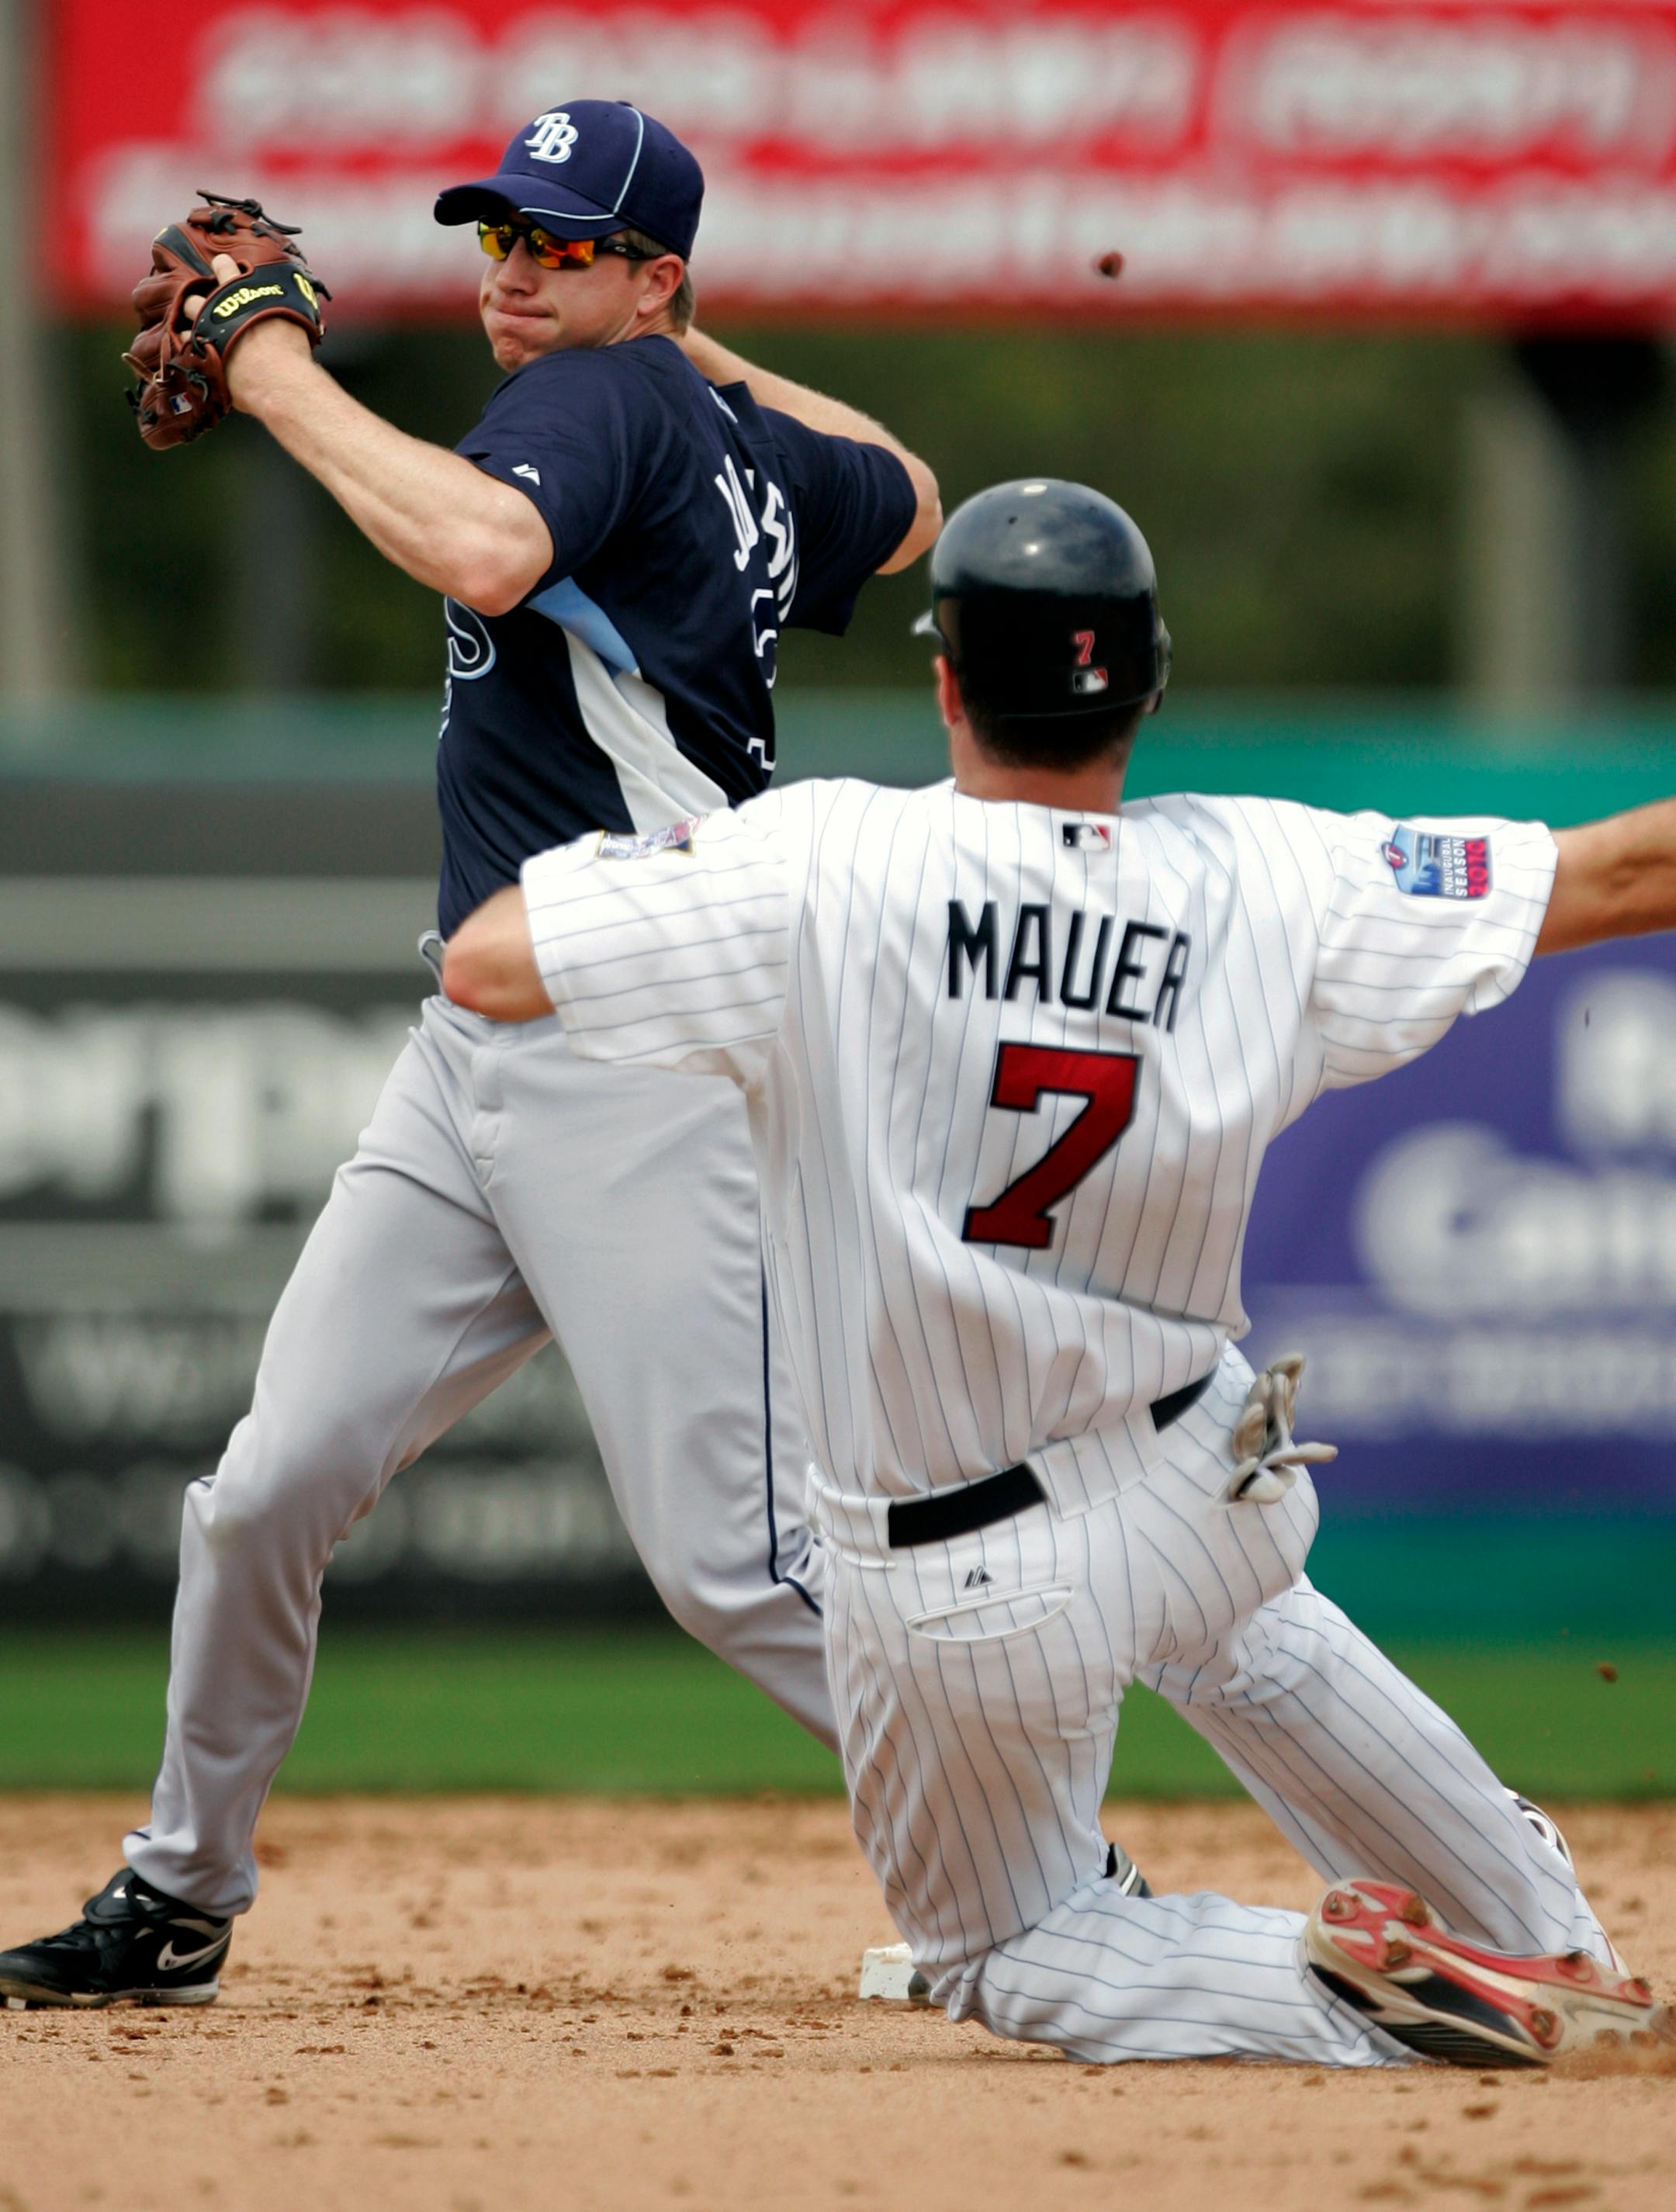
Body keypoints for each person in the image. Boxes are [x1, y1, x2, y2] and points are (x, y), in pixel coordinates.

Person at [435, 477, 1672, 2068]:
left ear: (944, 681)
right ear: (1149, 685)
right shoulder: (1277, 878)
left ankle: (1390, 1998)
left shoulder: (816, 862)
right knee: (1255, 1628)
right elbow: (1625, 876)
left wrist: (679, 849)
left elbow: (491, 961)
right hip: (1198, 1470)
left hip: (961, 1563)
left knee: (1008, 1944)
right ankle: (1541, 1941)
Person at [0, 99, 944, 2011]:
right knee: (271, 1482)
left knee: (737, 1562)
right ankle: (180, 1887)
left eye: (564, 246)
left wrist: (269, 358)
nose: (515, 272)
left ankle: (1042, 1845)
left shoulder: (602, 407)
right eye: (499, 235)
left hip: (635, 1049)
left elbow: (485, 550)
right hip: (485, 1043)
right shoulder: (708, 413)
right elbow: (913, 491)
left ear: (645, 274)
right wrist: (701, 339)